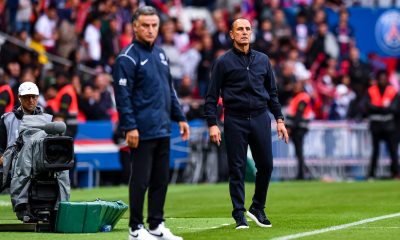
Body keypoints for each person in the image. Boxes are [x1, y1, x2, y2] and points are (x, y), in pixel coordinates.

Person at [113, 6, 190, 240]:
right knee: (140, 180)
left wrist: (180, 117)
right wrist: (129, 126)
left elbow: (170, 91)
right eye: (145, 25)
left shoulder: (161, 54)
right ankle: (135, 229)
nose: (150, 29)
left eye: (154, 25)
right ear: (135, 26)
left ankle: (156, 225)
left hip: (163, 128)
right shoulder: (126, 58)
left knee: (161, 180)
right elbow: (122, 97)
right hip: (142, 130)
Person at [204, 18, 289, 229]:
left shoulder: (263, 60)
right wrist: (212, 124)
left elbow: (272, 93)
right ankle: (239, 213)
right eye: (239, 29)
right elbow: (211, 97)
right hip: (235, 119)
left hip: (261, 117)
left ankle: (257, 207)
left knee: (267, 166)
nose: (244, 32)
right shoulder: (223, 62)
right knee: (237, 169)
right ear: (231, 35)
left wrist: (279, 119)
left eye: (247, 29)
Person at [0, 82, 52, 174]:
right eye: (27, 97)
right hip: (12, 171)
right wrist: (4, 160)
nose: (31, 100)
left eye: (33, 96)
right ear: (19, 97)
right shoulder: (7, 120)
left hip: (40, 171)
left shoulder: (48, 120)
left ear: (38, 97)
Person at [366, 70, 399, 179]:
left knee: (392, 150)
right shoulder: (371, 90)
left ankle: (395, 173)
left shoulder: (392, 91)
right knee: (375, 151)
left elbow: (394, 108)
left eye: (384, 78)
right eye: (380, 78)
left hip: (389, 124)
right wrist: (382, 108)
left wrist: (378, 108)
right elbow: (368, 106)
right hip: (376, 124)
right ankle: (372, 174)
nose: (382, 80)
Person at [286, 81, 313, 180]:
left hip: (299, 127)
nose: (295, 87)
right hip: (297, 127)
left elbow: (299, 114)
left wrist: (291, 127)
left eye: (297, 86)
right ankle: (302, 173)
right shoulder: (297, 97)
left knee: (299, 152)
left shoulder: (303, 97)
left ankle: (301, 175)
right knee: (298, 152)